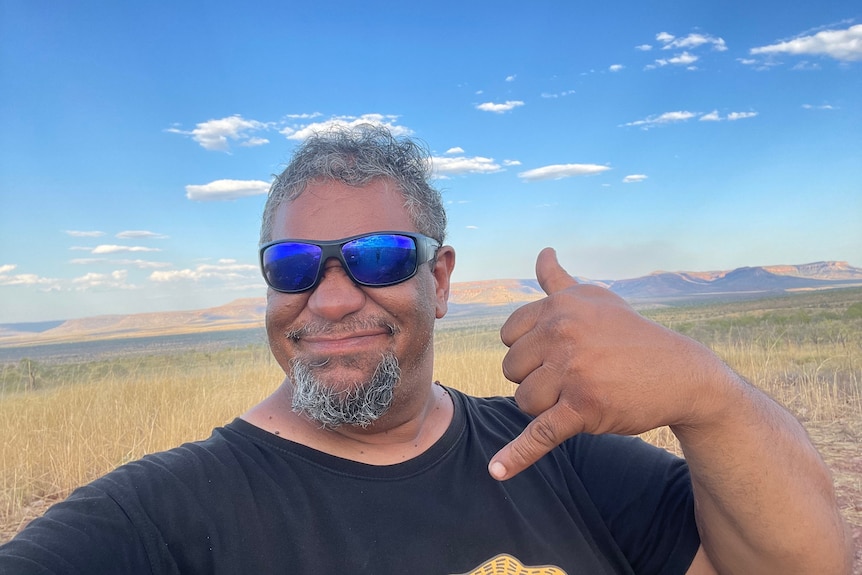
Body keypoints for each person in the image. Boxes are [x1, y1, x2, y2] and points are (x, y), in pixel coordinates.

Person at [0, 125, 852, 574]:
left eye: (376, 257)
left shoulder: (558, 460)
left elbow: (803, 564)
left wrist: (708, 393)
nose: (331, 298)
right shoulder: (166, 514)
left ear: (438, 280)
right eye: (294, 267)